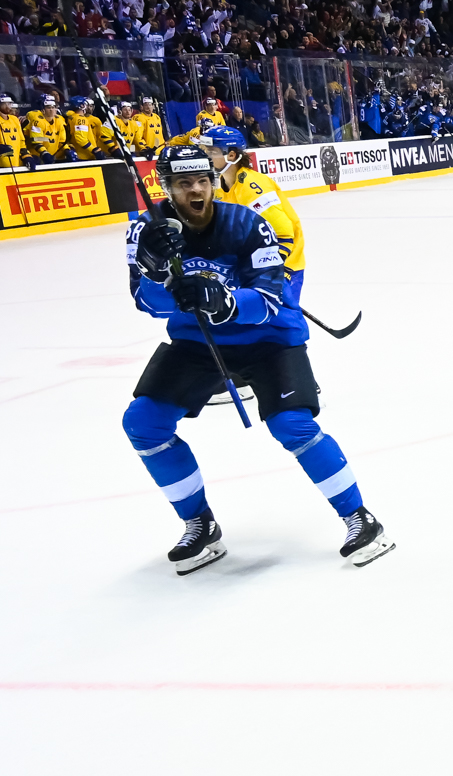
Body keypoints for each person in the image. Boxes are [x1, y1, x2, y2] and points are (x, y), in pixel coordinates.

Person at [122, 147, 393, 574]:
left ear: (213, 180)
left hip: (268, 338)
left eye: (202, 180)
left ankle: (361, 518)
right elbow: (146, 302)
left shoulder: (246, 222)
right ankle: (200, 524)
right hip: (198, 341)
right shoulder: (146, 229)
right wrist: (157, 273)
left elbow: (269, 298)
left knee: (293, 424)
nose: (196, 190)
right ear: (166, 186)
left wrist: (223, 301)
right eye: (183, 183)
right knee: (143, 423)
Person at [201, 125, 305, 305]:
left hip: (285, 264)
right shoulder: (218, 188)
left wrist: (269, 271)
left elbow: (283, 233)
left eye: (211, 151)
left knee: (279, 325)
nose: (206, 157)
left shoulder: (251, 186)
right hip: (252, 263)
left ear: (231, 155)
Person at [26, 93, 69, 165]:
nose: (51, 110)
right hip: (38, 156)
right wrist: (44, 153)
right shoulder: (37, 120)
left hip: (53, 155)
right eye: (49, 107)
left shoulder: (60, 120)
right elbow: (36, 141)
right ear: (43, 109)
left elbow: (62, 141)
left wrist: (67, 150)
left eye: (53, 107)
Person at [0, 94, 23, 169]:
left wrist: (26, 156)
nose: (9, 106)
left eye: (10, 103)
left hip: (16, 163)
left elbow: (21, 141)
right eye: (5, 104)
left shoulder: (15, 119)